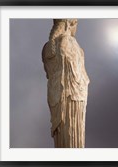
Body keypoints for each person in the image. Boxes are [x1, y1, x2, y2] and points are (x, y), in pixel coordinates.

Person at [42, 19, 90, 148]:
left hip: (58, 98)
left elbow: (49, 72)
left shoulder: (47, 47)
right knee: (72, 133)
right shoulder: (70, 43)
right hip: (72, 96)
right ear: (70, 24)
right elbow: (80, 76)